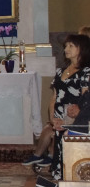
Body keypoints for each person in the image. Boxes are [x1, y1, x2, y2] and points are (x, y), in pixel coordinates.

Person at [22, 34, 90, 178]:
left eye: (71, 46)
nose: (66, 49)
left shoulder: (86, 72)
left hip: (74, 119)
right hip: (59, 119)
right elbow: (54, 98)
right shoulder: (60, 71)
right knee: (58, 159)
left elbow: (86, 99)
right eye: (66, 46)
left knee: (70, 160)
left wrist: (77, 112)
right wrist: (53, 118)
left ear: (82, 49)